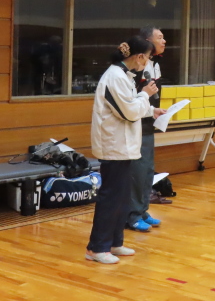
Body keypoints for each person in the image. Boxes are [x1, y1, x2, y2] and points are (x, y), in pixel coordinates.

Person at [86, 37, 166, 264]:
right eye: (147, 57)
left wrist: (151, 110)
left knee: (122, 198)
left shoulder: (125, 76)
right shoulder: (114, 77)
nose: (148, 62)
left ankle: (114, 243)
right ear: (139, 57)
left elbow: (130, 106)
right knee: (111, 197)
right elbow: (129, 112)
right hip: (113, 146)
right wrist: (145, 94)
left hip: (124, 146)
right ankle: (96, 248)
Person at [126, 26, 166, 232]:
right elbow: (131, 100)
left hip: (149, 123)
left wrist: (155, 111)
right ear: (147, 42)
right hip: (136, 125)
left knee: (148, 171)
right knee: (137, 172)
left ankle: (142, 211)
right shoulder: (134, 68)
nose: (164, 41)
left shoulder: (155, 64)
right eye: (160, 37)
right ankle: (132, 215)